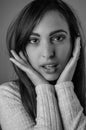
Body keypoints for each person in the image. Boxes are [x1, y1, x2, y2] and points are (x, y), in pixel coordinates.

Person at [0, 0, 86, 129]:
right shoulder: (8, 95)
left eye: (58, 38)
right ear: (22, 47)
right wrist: (43, 88)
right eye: (34, 40)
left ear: (75, 43)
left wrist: (64, 89)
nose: (48, 54)